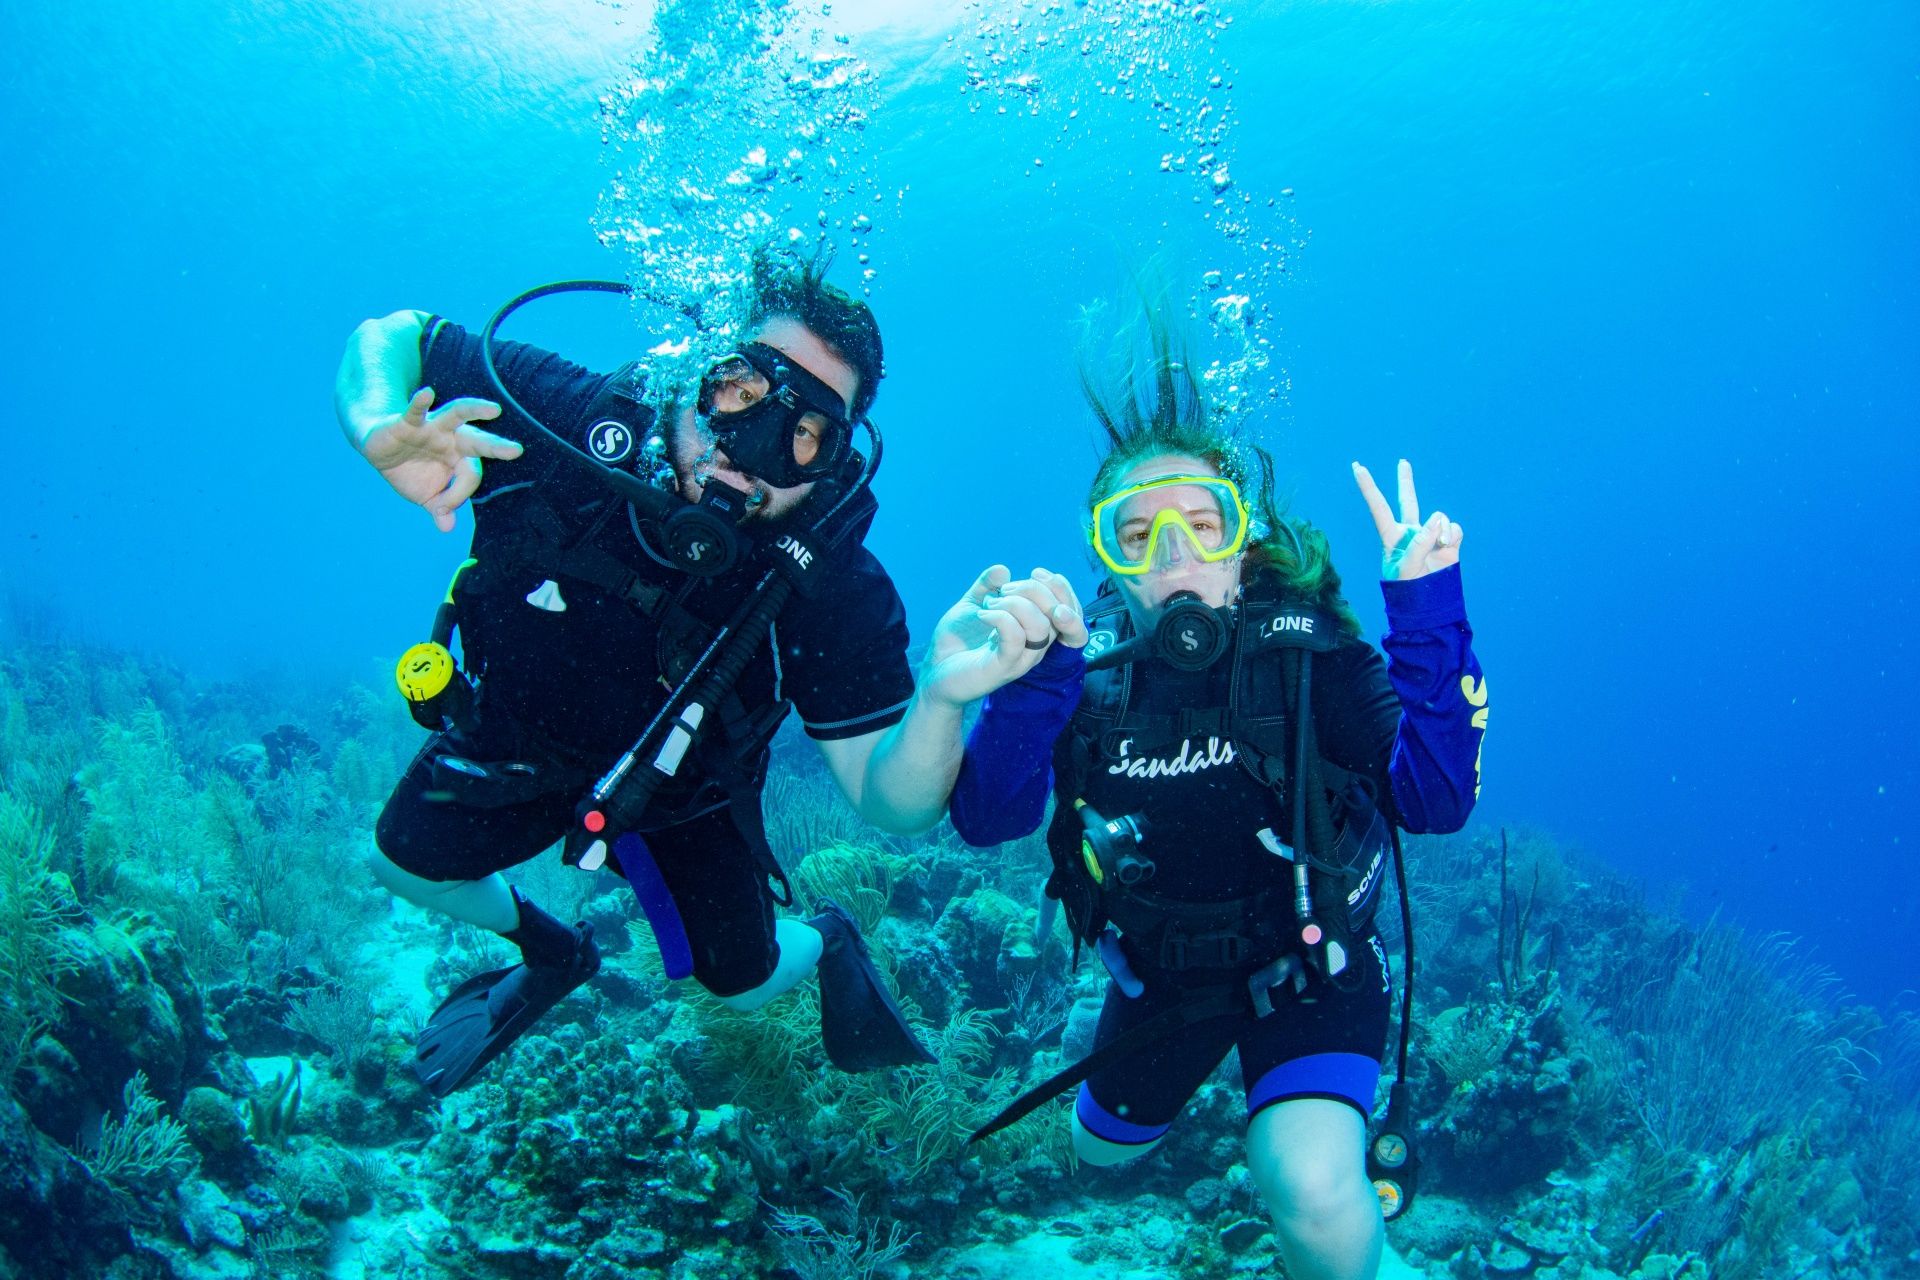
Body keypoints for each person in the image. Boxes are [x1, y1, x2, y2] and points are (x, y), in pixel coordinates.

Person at [334, 248, 1062, 1096]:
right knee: (399, 865)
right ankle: (552, 949)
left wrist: (940, 699)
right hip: (518, 736)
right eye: (744, 392)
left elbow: (887, 802)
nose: (749, 452)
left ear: (833, 460)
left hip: (687, 796)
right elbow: (391, 335)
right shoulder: (569, 421)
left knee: (744, 984)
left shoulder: (829, 584)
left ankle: (825, 937)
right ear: (696, 372)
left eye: (803, 433)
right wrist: (377, 423)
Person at [948, 307, 1486, 1280]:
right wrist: (1030, 691)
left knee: (1315, 1193)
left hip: (1313, 972)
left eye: (1204, 524)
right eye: (1134, 534)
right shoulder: (1087, 676)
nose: (1175, 556)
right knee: (1098, 1152)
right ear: (1106, 557)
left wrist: (1426, 607)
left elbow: (1438, 799)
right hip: (1160, 984)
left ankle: (1387, 1264)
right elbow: (987, 816)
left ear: (1244, 540)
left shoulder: (1312, 656)